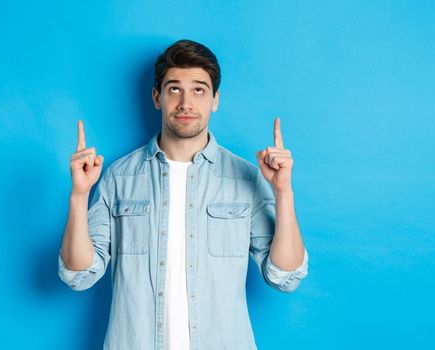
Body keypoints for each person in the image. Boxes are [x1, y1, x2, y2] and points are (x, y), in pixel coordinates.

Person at [58, 39, 308, 350]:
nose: (186, 102)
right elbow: (79, 275)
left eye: (199, 90)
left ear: (215, 99)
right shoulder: (119, 177)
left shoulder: (244, 177)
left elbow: (285, 275)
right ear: (156, 97)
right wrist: (79, 196)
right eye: (174, 88)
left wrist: (283, 192)